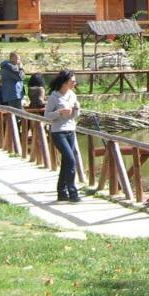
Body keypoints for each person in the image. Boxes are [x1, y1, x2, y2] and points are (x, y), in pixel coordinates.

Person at [45, 69, 82, 202]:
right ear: (65, 82)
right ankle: (73, 192)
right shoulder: (54, 96)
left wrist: (76, 109)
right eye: (72, 81)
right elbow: (47, 115)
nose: (74, 83)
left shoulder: (72, 95)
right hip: (58, 131)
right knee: (71, 160)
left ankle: (61, 192)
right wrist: (59, 112)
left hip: (70, 130)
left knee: (67, 162)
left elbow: (74, 116)